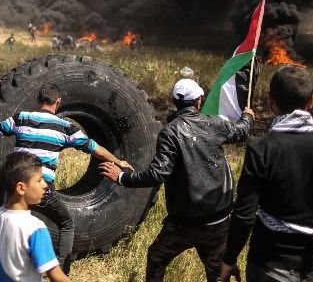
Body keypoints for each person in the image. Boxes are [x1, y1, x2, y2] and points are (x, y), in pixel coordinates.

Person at [220, 65, 313, 282]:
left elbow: (244, 214)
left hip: (271, 265)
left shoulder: (261, 149)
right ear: (312, 101)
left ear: (271, 102)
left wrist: (229, 259)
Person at [100, 78, 254, 282]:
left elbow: (157, 173)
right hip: (218, 219)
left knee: (156, 258)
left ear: (174, 101)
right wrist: (247, 116)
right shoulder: (215, 123)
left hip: (185, 223)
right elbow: (241, 132)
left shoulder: (170, 132)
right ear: (199, 100)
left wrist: (122, 177)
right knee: (217, 271)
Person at [0, 83, 132, 273]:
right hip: (41, 187)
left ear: (38, 100)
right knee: (66, 223)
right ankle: (61, 269)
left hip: (15, 186)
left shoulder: (22, 118)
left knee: (10, 223)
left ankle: (2, 266)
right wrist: (118, 161)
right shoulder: (65, 128)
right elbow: (95, 148)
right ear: (58, 102)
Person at [0, 151, 70, 282]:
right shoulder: (35, 228)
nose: (45, 185)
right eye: (39, 180)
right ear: (21, 188)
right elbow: (56, 276)